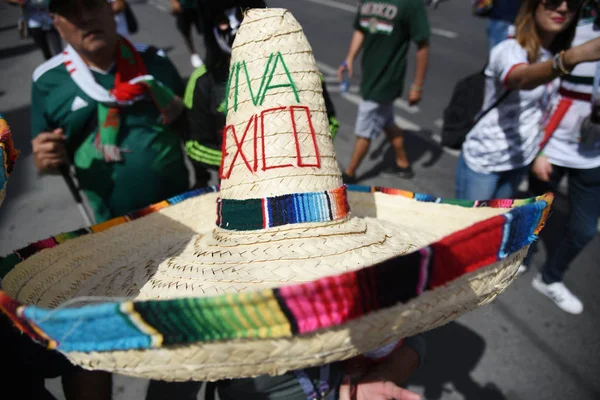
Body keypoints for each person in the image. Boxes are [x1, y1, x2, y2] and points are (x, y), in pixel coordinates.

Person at [30, 0, 190, 224]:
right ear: (57, 25)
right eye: (71, 12)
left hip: (182, 207)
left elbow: (193, 128)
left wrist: (203, 181)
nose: (85, 18)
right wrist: (46, 159)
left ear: (111, 8)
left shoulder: (154, 61)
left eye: (93, 5)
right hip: (113, 225)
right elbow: (48, 155)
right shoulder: (47, 81)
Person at [456, 0, 600, 201]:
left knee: (497, 227)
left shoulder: (551, 53)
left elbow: (543, 112)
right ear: (533, 6)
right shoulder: (510, 49)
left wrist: (540, 153)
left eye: (573, 4)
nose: (563, 8)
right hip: (485, 162)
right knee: (467, 228)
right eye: (553, 0)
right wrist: (571, 58)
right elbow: (519, 78)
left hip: (520, 161)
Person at [185, 0, 340, 188]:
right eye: (223, 20)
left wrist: (292, 156)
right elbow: (195, 145)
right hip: (238, 193)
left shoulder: (301, 68)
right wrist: (245, 164)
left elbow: (329, 122)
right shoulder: (203, 81)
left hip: (303, 185)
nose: (236, 27)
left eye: (242, 16)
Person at [524, 3, 600, 314]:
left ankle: (550, 278)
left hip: (593, 156)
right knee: (534, 214)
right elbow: (543, 94)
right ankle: (522, 258)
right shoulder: (572, 32)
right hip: (553, 148)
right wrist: (539, 150)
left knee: (584, 229)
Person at [337, 0, 431, 183]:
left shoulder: (411, 5)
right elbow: (361, 29)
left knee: (365, 127)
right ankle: (403, 163)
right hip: (370, 74)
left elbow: (423, 45)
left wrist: (417, 86)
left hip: (387, 78)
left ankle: (349, 174)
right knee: (386, 120)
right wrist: (350, 58)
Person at [171, 0, 204, 68]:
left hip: (198, 4)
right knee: (185, 32)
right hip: (183, 6)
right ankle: (194, 54)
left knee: (205, 28)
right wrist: (174, 1)